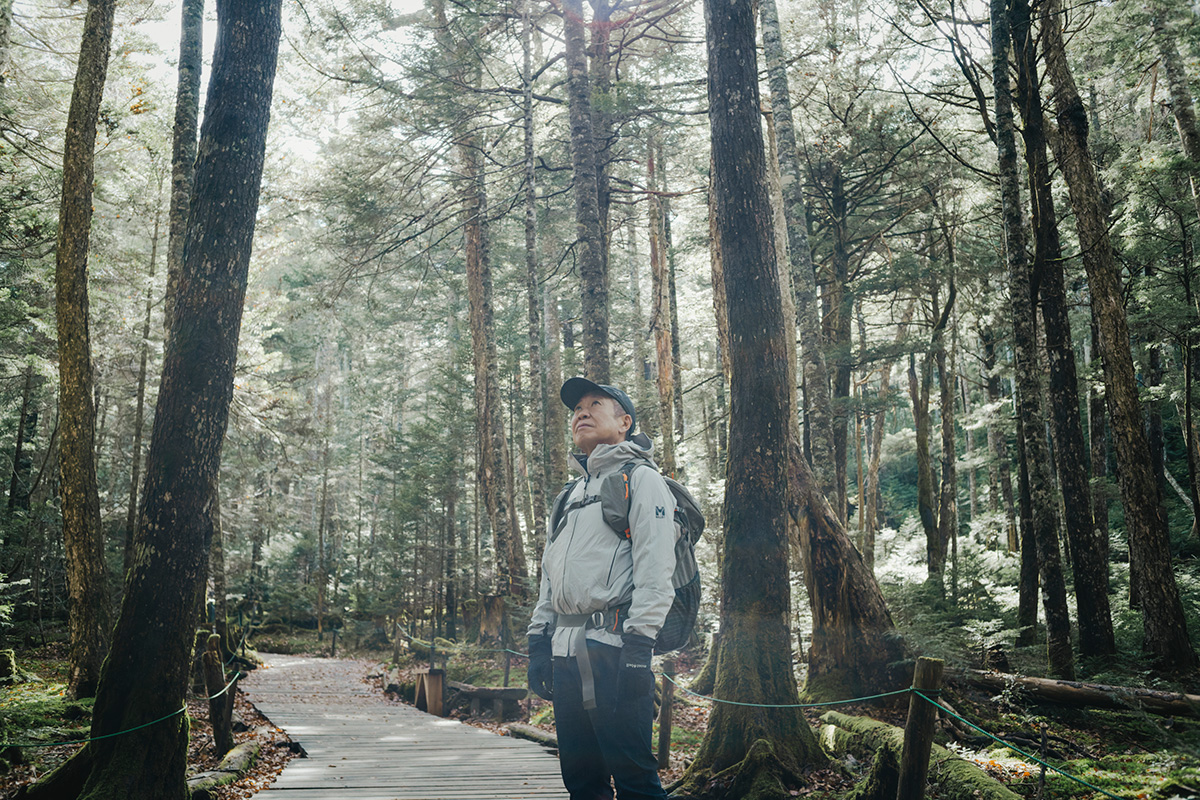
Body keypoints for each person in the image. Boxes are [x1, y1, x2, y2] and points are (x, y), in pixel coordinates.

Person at [527, 377, 676, 800]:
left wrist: (639, 647)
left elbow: (656, 567)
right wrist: (538, 641)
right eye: (577, 408)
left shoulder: (642, 479)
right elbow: (550, 577)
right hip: (564, 653)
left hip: (615, 650)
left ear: (624, 422)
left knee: (634, 780)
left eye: (595, 404)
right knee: (582, 781)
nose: (582, 413)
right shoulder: (570, 494)